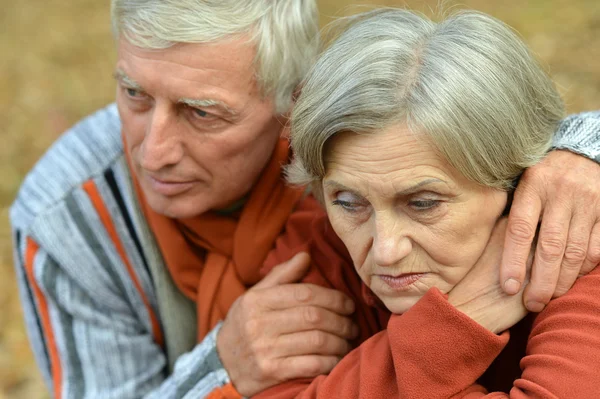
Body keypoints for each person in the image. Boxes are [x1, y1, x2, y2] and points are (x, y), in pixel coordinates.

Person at [9, 1, 600, 398]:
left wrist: (586, 147)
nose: (152, 151)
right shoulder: (68, 217)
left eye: (202, 112)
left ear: (293, 103)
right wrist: (219, 364)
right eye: (133, 93)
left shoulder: (567, 226)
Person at [254, 9, 600, 398]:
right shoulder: (317, 249)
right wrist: (460, 319)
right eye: (350, 202)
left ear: (515, 182)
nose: (385, 250)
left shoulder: (577, 254)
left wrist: (432, 342)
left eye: (423, 203)